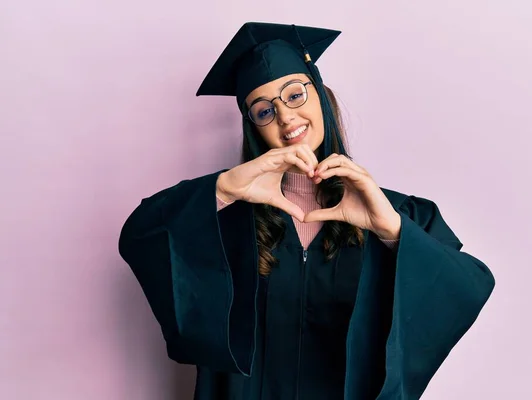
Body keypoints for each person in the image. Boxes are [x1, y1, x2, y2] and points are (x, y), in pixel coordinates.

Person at [118, 22, 495, 400]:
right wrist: (223, 188)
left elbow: (469, 286)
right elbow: (140, 236)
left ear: (321, 96)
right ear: (253, 128)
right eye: (263, 110)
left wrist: (391, 230)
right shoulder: (225, 215)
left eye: (295, 94)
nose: (284, 117)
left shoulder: (392, 211)